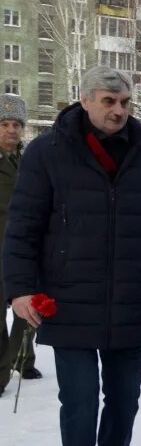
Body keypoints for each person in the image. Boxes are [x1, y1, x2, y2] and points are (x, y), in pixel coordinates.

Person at [3, 66, 141, 446]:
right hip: (69, 298)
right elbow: (23, 226)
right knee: (79, 404)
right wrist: (20, 289)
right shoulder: (46, 153)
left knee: (124, 401)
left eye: (124, 103)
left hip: (130, 299)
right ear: (85, 100)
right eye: (108, 101)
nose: (117, 110)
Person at [0, 95, 35, 394]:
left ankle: (22, 358)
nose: (11, 130)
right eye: (4, 124)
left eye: (16, 125)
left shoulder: (30, 160)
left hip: (25, 249)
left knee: (30, 310)